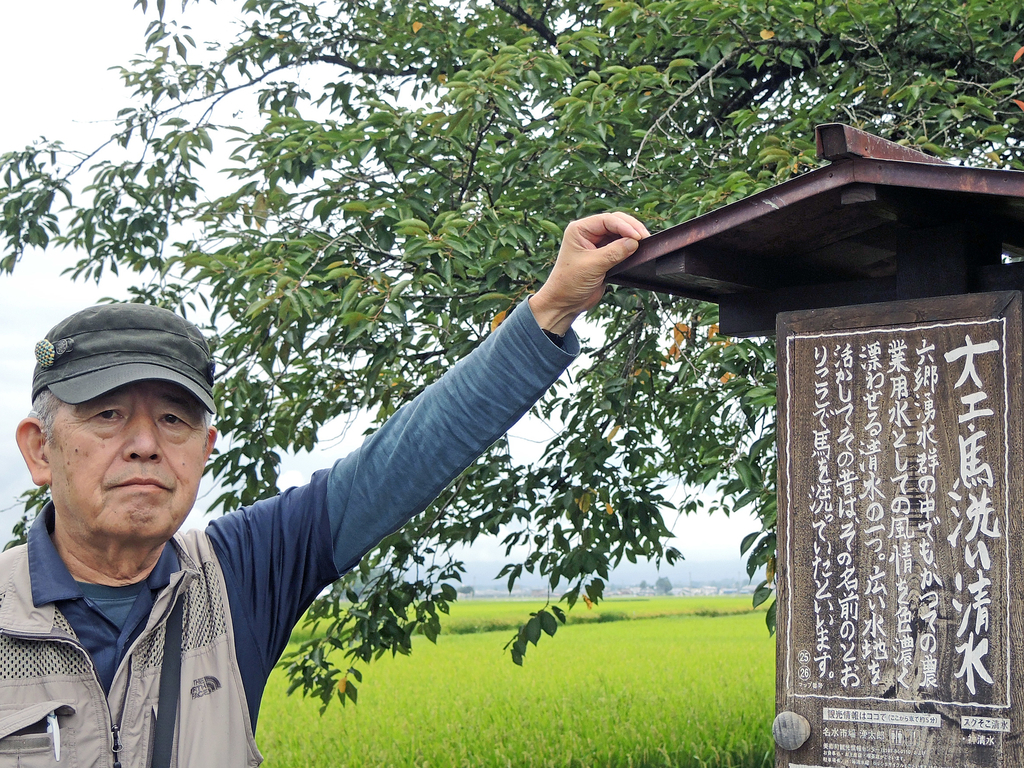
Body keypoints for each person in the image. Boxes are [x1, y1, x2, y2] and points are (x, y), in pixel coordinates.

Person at [0, 212, 649, 766]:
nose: (144, 443)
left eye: (173, 419)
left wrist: (554, 304)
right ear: (39, 449)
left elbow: (405, 458)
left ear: (204, 450)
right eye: (107, 415)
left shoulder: (237, 578)